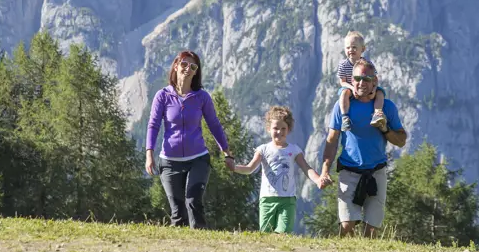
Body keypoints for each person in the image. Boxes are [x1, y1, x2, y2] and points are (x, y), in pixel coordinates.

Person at [145, 50, 234, 229]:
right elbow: (153, 125)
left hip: (198, 159)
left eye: (193, 66)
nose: (188, 68)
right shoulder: (162, 96)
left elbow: (214, 125)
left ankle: (201, 245)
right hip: (169, 161)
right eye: (184, 64)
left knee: (194, 201)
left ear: (196, 72)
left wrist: (227, 152)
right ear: (176, 66)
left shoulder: (202, 97)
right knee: (177, 212)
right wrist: (149, 154)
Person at [318, 59, 407, 237]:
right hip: (349, 171)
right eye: (357, 78)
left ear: (375, 81)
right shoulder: (342, 105)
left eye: (366, 79)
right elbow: (332, 139)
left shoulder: (386, 107)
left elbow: (401, 140)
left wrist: (385, 129)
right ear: (351, 80)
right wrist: (324, 170)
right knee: (347, 224)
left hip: (376, 172)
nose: (361, 83)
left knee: (372, 229)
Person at [230, 105, 327, 233]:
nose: (279, 132)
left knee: (283, 233)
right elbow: (250, 168)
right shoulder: (263, 149)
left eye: (283, 128)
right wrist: (234, 167)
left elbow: (306, 168)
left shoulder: (294, 150)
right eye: (276, 128)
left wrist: (318, 179)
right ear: (269, 129)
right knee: (266, 234)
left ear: (289, 129)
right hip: (267, 199)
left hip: (287, 200)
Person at [335, 31, 386, 132]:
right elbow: (342, 82)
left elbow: (375, 79)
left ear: (362, 49)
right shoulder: (343, 65)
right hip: (350, 88)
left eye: (354, 47)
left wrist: (374, 90)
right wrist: (352, 88)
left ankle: (377, 114)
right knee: (344, 93)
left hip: (366, 88)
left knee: (381, 93)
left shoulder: (368, 64)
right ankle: (345, 117)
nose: (351, 50)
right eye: (348, 47)